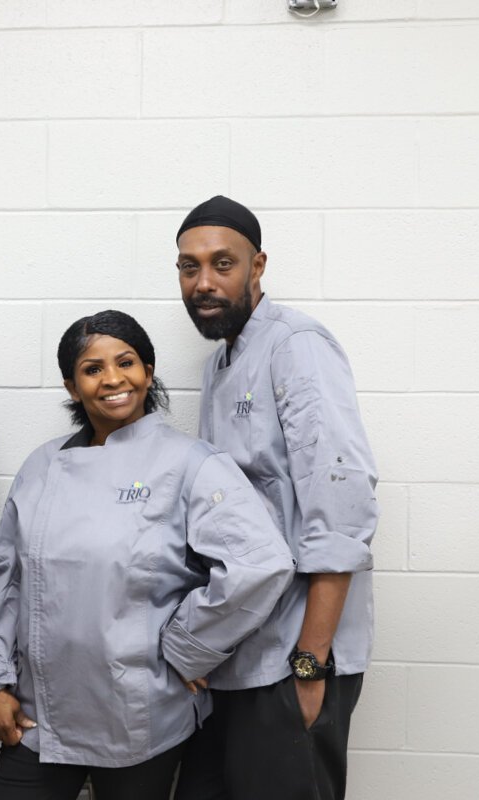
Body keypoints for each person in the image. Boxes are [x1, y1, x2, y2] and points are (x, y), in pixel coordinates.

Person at [0, 309, 294, 800]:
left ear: (148, 372)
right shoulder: (41, 467)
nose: (113, 379)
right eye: (92, 369)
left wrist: (187, 649)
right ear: (72, 387)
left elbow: (261, 563)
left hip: (140, 719)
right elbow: (7, 580)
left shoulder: (190, 463)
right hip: (38, 717)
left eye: (127, 362)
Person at [171, 196, 379, 800]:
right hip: (243, 655)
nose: (204, 282)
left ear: (257, 266)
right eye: (189, 267)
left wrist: (310, 666)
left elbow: (340, 506)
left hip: (296, 658)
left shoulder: (297, 345)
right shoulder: (220, 363)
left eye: (222, 264)